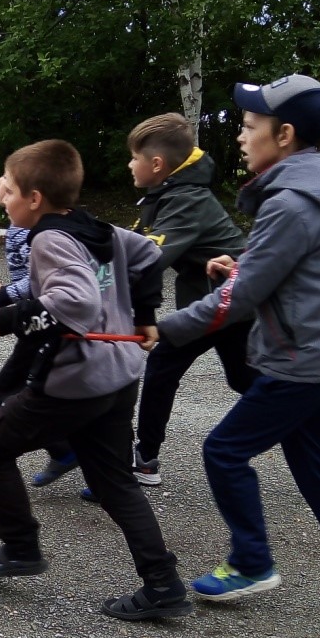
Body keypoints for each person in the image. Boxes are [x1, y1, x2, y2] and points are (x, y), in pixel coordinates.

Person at [157, 76, 320, 616]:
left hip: (300, 360)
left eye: (250, 127)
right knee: (317, 466)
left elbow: (239, 301)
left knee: (224, 451)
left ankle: (252, 562)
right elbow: (283, 270)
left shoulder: (291, 204)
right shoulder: (319, 187)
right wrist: (246, 266)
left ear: (285, 135)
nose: (241, 136)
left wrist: (166, 329)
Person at [0, 139, 193, 622]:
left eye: (9, 193)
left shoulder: (46, 239)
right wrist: (146, 316)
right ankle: (163, 583)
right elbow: (148, 256)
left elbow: (76, 304)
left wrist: (4, 320)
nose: (3, 200)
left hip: (79, 380)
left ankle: (21, 547)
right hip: (119, 375)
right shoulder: (94, 226)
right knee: (114, 483)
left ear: (35, 199)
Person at [123, 112, 256, 485]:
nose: (129, 164)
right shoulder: (168, 194)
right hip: (220, 300)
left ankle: (145, 460)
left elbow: (148, 255)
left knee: (163, 366)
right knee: (246, 380)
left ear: (157, 164)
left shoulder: (186, 200)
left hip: (224, 300)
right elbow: (136, 242)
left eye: (134, 157)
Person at [0, 182, 80, 489]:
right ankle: (73, 454)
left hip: (44, 320)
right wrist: (4, 290)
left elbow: (41, 283)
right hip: (36, 315)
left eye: (8, 183)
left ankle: (68, 451)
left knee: (8, 390)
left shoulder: (36, 230)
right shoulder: (23, 224)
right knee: (38, 392)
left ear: (33, 197)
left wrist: (2, 298)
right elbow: (31, 278)